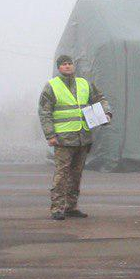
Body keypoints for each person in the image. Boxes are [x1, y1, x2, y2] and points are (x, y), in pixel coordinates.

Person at [38, 55, 110, 221]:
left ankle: (71, 206)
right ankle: (57, 208)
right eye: (64, 64)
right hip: (63, 139)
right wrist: (50, 135)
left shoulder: (84, 84)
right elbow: (44, 112)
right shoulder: (52, 87)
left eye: (70, 63)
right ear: (59, 67)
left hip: (82, 137)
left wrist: (106, 113)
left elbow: (100, 99)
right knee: (62, 174)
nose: (68, 66)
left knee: (76, 174)